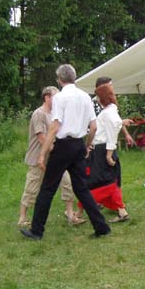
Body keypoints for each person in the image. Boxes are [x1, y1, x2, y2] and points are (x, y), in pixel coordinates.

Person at [21, 64, 111, 240]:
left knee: (47, 189)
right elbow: (93, 127)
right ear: (74, 77)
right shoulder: (85, 97)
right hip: (78, 144)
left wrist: (42, 154)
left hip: (63, 146)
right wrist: (87, 146)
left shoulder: (60, 98)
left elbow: (54, 127)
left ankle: (37, 231)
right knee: (82, 189)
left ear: (59, 80)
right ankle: (101, 227)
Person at [18, 86, 84, 227]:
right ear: (47, 97)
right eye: (55, 96)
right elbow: (42, 138)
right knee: (32, 186)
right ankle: (22, 217)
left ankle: (70, 214)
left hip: (55, 158)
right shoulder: (39, 114)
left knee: (67, 183)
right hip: (38, 158)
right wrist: (59, 151)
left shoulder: (55, 113)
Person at [81, 83, 129, 223]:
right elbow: (115, 124)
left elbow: (113, 129)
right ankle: (121, 211)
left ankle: (80, 210)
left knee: (100, 181)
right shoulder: (110, 110)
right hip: (101, 149)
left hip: (103, 151)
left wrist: (109, 154)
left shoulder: (108, 112)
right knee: (108, 181)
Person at [93, 77, 134, 147]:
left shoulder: (110, 102)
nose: (112, 87)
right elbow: (93, 125)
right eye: (110, 85)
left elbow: (117, 119)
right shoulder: (93, 103)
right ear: (103, 88)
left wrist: (126, 134)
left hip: (109, 141)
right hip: (99, 142)